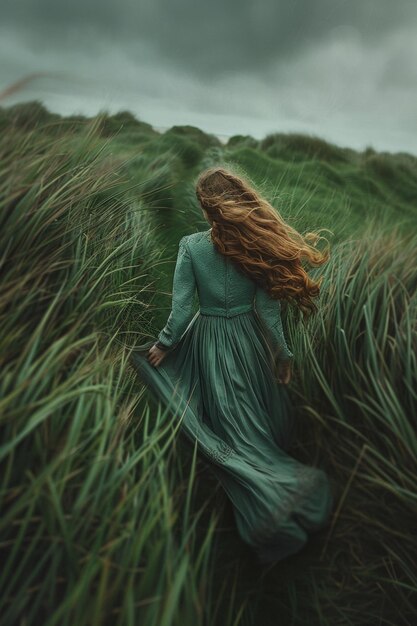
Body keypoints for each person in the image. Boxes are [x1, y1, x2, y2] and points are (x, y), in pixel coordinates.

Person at [131, 165, 334, 564]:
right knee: (253, 422)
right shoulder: (256, 249)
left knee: (231, 429)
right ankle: (285, 490)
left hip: (208, 340)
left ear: (206, 211)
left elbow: (182, 307)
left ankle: (267, 504)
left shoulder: (191, 246)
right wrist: (282, 355)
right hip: (250, 343)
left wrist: (164, 345)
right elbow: (268, 309)